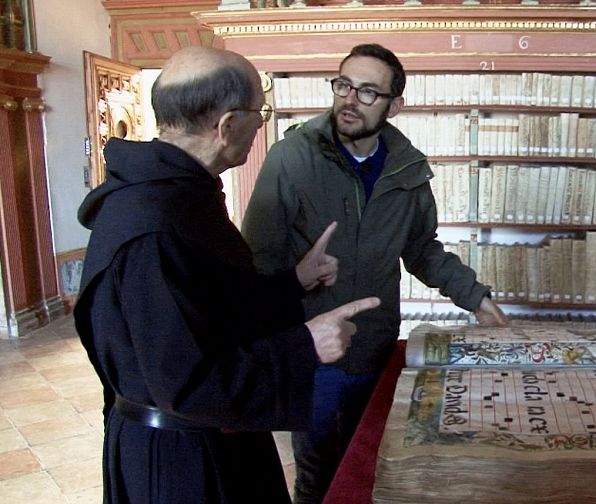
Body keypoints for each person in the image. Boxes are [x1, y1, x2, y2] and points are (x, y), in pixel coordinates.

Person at [73, 46, 380, 504]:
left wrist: (293, 281)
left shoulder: (180, 195)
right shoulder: (154, 224)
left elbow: (209, 309)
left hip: (207, 440)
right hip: (182, 463)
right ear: (228, 125)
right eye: (260, 113)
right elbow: (186, 382)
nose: (261, 125)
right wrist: (304, 344)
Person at [241, 43, 508, 503]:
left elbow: (422, 250)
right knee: (316, 472)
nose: (350, 99)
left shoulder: (408, 170)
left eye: (368, 92)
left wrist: (478, 300)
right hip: (312, 351)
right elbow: (259, 260)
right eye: (343, 85)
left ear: (394, 105)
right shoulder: (291, 157)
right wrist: (293, 290)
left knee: (370, 467)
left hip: (376, 350)